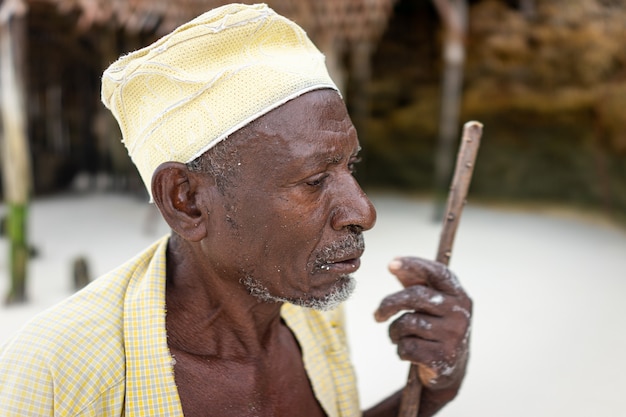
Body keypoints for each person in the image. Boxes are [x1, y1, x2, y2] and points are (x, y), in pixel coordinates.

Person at [0, 4, 471, 417]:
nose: (363, 212)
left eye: (351, 166)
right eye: (313, 181)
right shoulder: (59, 373)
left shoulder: (309, 307)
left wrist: (432, 392)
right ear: (186, 200)